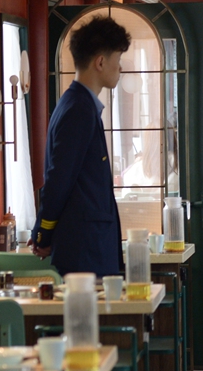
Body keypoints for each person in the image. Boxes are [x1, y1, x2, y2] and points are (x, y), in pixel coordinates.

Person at [30, 16, 130, 276]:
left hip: (88, 244)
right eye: (117, 61)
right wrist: (44, 232)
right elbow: (59, 179)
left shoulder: (76, 104)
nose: (120, 69)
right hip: (84, 249)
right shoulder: (79, 110)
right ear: (100, 62)